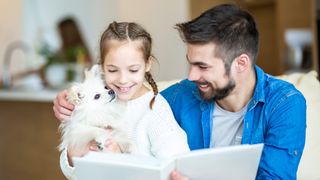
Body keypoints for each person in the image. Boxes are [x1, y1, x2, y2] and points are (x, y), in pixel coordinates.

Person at [54, 4, 307, 180]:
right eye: (190, 62)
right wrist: (77, 104)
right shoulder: (180, 95)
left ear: (240, 63)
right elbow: (133, 101)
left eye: (202, 66)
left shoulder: (285, 104)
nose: (191, 76)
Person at [56, 21, 190, 179]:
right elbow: (73, 172)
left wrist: (122, 159)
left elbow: (176, 168)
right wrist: (74, 155)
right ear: (102, 66)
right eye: (112, 70)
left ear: (147, 64)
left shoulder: (156, 112)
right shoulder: (98, 100)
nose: (123, 80)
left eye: (133, 70)